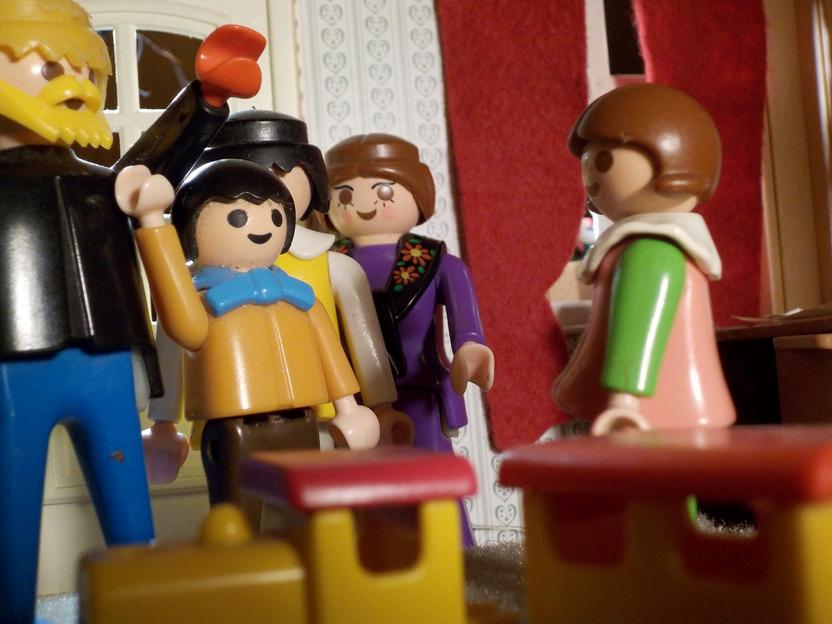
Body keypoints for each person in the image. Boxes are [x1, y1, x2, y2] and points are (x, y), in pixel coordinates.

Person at [0, 1, 263, 620]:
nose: (75, 85)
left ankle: (143, 607)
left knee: (128, 512)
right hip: (13, 366)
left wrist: (208, 99)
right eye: (51, 67)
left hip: (108, 363)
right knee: (13, 511)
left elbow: (154, 161)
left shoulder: (103, 184)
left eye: (87, 73)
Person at [116, 159, 380, 528]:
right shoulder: (200, 305)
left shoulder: (300, 297)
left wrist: (348, 407)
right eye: (238, 217)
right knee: (239, 516)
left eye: (274, 216)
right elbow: (175, 333)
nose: (261, 227)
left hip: (302, 423)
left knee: (305, 516)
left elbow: (329, 353)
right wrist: (152, 224)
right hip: (234, 429)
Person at [325, 133, 494, 546]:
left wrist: (471, 351)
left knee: (431, 476)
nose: (363, 203)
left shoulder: (438, 262)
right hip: (353, 399)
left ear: (417, 193)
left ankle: (455, 553)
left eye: (383, 190)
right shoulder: (328, 264)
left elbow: (466, 326)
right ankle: (375, 555)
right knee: (363, 481)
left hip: (419, 391)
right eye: (344, 194)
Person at [552, 82, 735, 434]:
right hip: (670, 409)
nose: (591, 179)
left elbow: (641, 326)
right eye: (588, 164)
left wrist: (624, 400)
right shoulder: (652, 242)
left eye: (603, 161)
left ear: (668, 160)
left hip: (650, 411)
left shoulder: (651, 249)